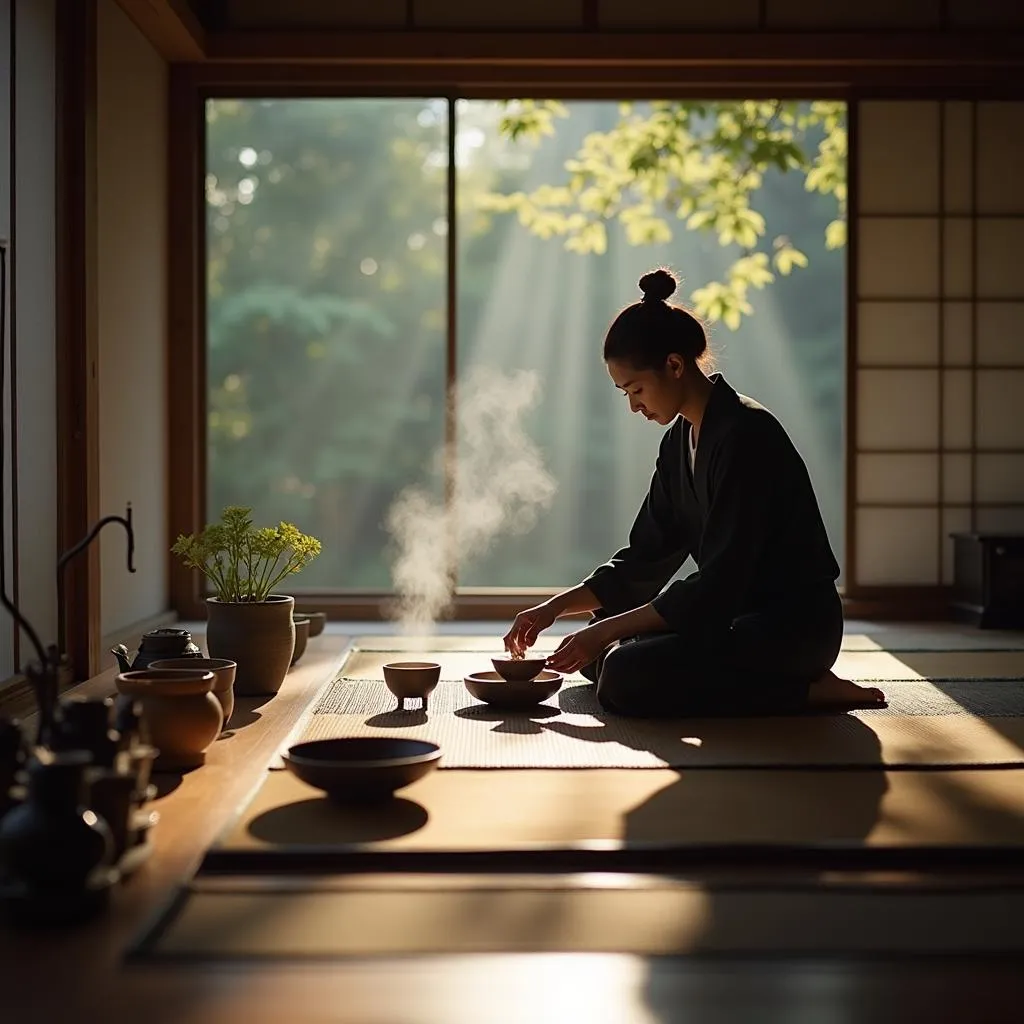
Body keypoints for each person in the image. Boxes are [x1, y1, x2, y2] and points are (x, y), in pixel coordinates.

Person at [503, 267, 885, 718]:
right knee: (600, 636)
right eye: (625, 393)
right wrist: (553, 609)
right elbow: (645, 557)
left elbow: (721, 582)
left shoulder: (747, 434)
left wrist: (606, 637)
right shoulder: (677, 440)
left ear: (675, 365)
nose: (634, 405)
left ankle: (803, 691)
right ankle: (768, 685)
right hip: (729, 618)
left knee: (625, 673)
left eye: (637, 389)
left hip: (789, 626)